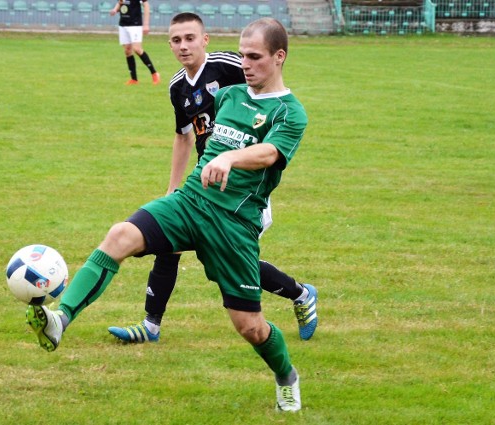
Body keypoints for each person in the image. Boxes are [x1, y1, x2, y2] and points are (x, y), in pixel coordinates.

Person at [25, 18, 308, 412]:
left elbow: (270, 154)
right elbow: (188, 135)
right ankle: (60, 319)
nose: (245, 63)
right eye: (242, 54)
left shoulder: (291, 113)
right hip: (191, 201)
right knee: (119, 235)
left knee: (250, 327)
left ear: (279, 57)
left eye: (255, 57)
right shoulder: (229, 97)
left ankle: (285, 375)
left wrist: (229, 157)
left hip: (234, 224)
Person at [107, 12, 318, 344]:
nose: (183, 46)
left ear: (205, 39)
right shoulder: (178, 85)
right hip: (202, 185)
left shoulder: (230, 66)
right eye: (176, 40)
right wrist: (172, 189)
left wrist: (237, 156)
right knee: (169, 245)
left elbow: (269, 91)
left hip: (240, 192)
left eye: (190, 38)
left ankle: (301, 293)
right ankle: (150, 326)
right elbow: (183, 136)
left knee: (232, 266)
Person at [110, 0, 160, 85]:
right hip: (123, 24)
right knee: (127, 50)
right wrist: (115, 9)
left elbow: (146, 6)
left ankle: (154, 73)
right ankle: (134, 79)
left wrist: (146, 24)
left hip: (135, 24)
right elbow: (120, 2)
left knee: (137, 49)